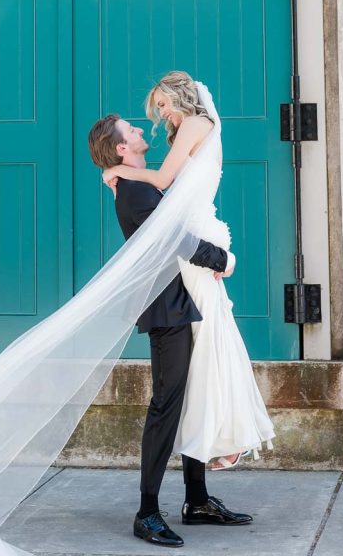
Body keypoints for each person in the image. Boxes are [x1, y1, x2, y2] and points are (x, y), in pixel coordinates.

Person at [88, 112, 254, 548]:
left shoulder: (138, 182)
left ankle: (197, 500)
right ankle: (147, 512)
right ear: (121, 147)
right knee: (166, 404)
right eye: (131, 130)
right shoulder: (134, 192)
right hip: (168, 311)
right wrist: (222, 259)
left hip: (188, 302)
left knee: (193, 395)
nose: (141, 129)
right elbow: (175, 240)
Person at [102, 72, 276, 475]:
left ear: (181, 96)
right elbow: (167, 191)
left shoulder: (196, 124)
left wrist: (120, 172)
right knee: (212, 339)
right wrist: (120, 178)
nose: (160, 114)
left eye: (163, 104)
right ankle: (222, 440)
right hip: (196, 239)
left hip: (199, 239)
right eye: (158, 108)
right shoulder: (191, 131)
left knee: (213, 339)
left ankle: (228, 436)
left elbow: (163, 180)